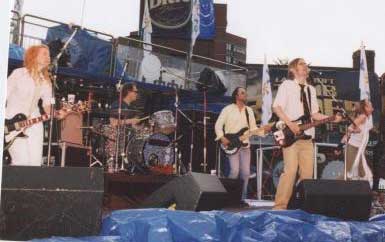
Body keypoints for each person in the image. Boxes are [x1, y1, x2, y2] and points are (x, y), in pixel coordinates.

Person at [272, 58, 341, 210]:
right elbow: (277, 107)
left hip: (308, 137)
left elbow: (315, 114)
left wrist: (331, 119)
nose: (305, 66)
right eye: (301, 64)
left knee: (308, 176)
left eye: (305, 64)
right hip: (291, 136)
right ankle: (279, 208)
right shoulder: (287, 85)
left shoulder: (311, 89)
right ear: (293, 70)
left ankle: (302, 207)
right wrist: (291, 124)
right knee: (289, 172)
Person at [6, 44, 65, 166]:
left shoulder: (46, 81)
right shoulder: (19, 74)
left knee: (35, 163)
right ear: (34, 56)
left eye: (49, 54)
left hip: (34, 122)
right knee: (21, 161)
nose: (48, 57)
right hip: (11, 122)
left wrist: (58, 114)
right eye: (44, 54)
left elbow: (47, 106)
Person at [215, 87, 257, 201]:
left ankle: (241, 198)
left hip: (245, 145)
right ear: (236, 96)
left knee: (246, 172)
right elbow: (218, 125)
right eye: (242, 93)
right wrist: (222, 137)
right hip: (232, 144)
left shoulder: (249, 111)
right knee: (234, 171)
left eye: (245, 93)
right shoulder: (227, 109)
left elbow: (253, 128)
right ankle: (228, 196)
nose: (245, 95)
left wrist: (264, 129)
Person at [343, 99, 373, 183]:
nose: (372, 109)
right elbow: (349, 128)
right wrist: (356, 131)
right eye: (370, 106)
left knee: (361, 174)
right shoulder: (362, 116)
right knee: (348, 175)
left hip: (359, 150)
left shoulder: (367, 118)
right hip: (352, 148)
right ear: (365, 108)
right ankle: (332, 190)